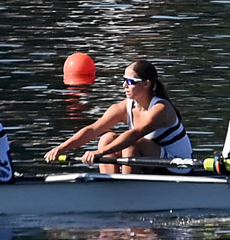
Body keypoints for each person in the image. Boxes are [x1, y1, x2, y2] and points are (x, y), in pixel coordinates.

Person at [44, 59, 192, 168]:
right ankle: (111, 185)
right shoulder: (122, 108)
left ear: (146, 84)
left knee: (131, 144)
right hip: (153, 161)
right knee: (107, 137)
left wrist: (99, 153)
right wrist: (61, 148)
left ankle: (127, 190)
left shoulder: (161, 108)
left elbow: (135, 134)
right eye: (124, 80)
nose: (124, 85)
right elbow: (92, 129)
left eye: (130, 81)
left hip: (177, 166)